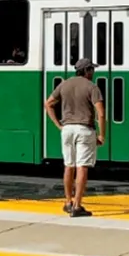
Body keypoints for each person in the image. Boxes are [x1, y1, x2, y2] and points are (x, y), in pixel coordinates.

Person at [44, 58, 105, 217]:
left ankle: (68, 202)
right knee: (82, 167)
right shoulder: (92, 87)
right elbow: (101, 113)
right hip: (84, 129)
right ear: (86, 71)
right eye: (92, 69)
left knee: (68, 166)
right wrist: (102, 135)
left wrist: (59, 125)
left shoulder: (64, 84)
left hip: (67, 129)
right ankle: (78, 205)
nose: (93, 72)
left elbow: (48, 103)